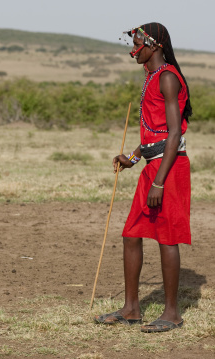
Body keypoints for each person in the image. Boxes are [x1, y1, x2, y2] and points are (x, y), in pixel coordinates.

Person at [95, 23, 192, 333]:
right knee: (131, 233)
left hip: (169, 168)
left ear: (155, 44)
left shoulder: (166, 78)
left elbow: (174, 134)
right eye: (133, 42)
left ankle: (173, 314)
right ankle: (132, 308)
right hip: (154, 166)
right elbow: (155, 133)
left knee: (167, 237)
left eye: (137, 42)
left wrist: (159, 182)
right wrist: (132, 159)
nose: (133, 48)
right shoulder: (151, 77)